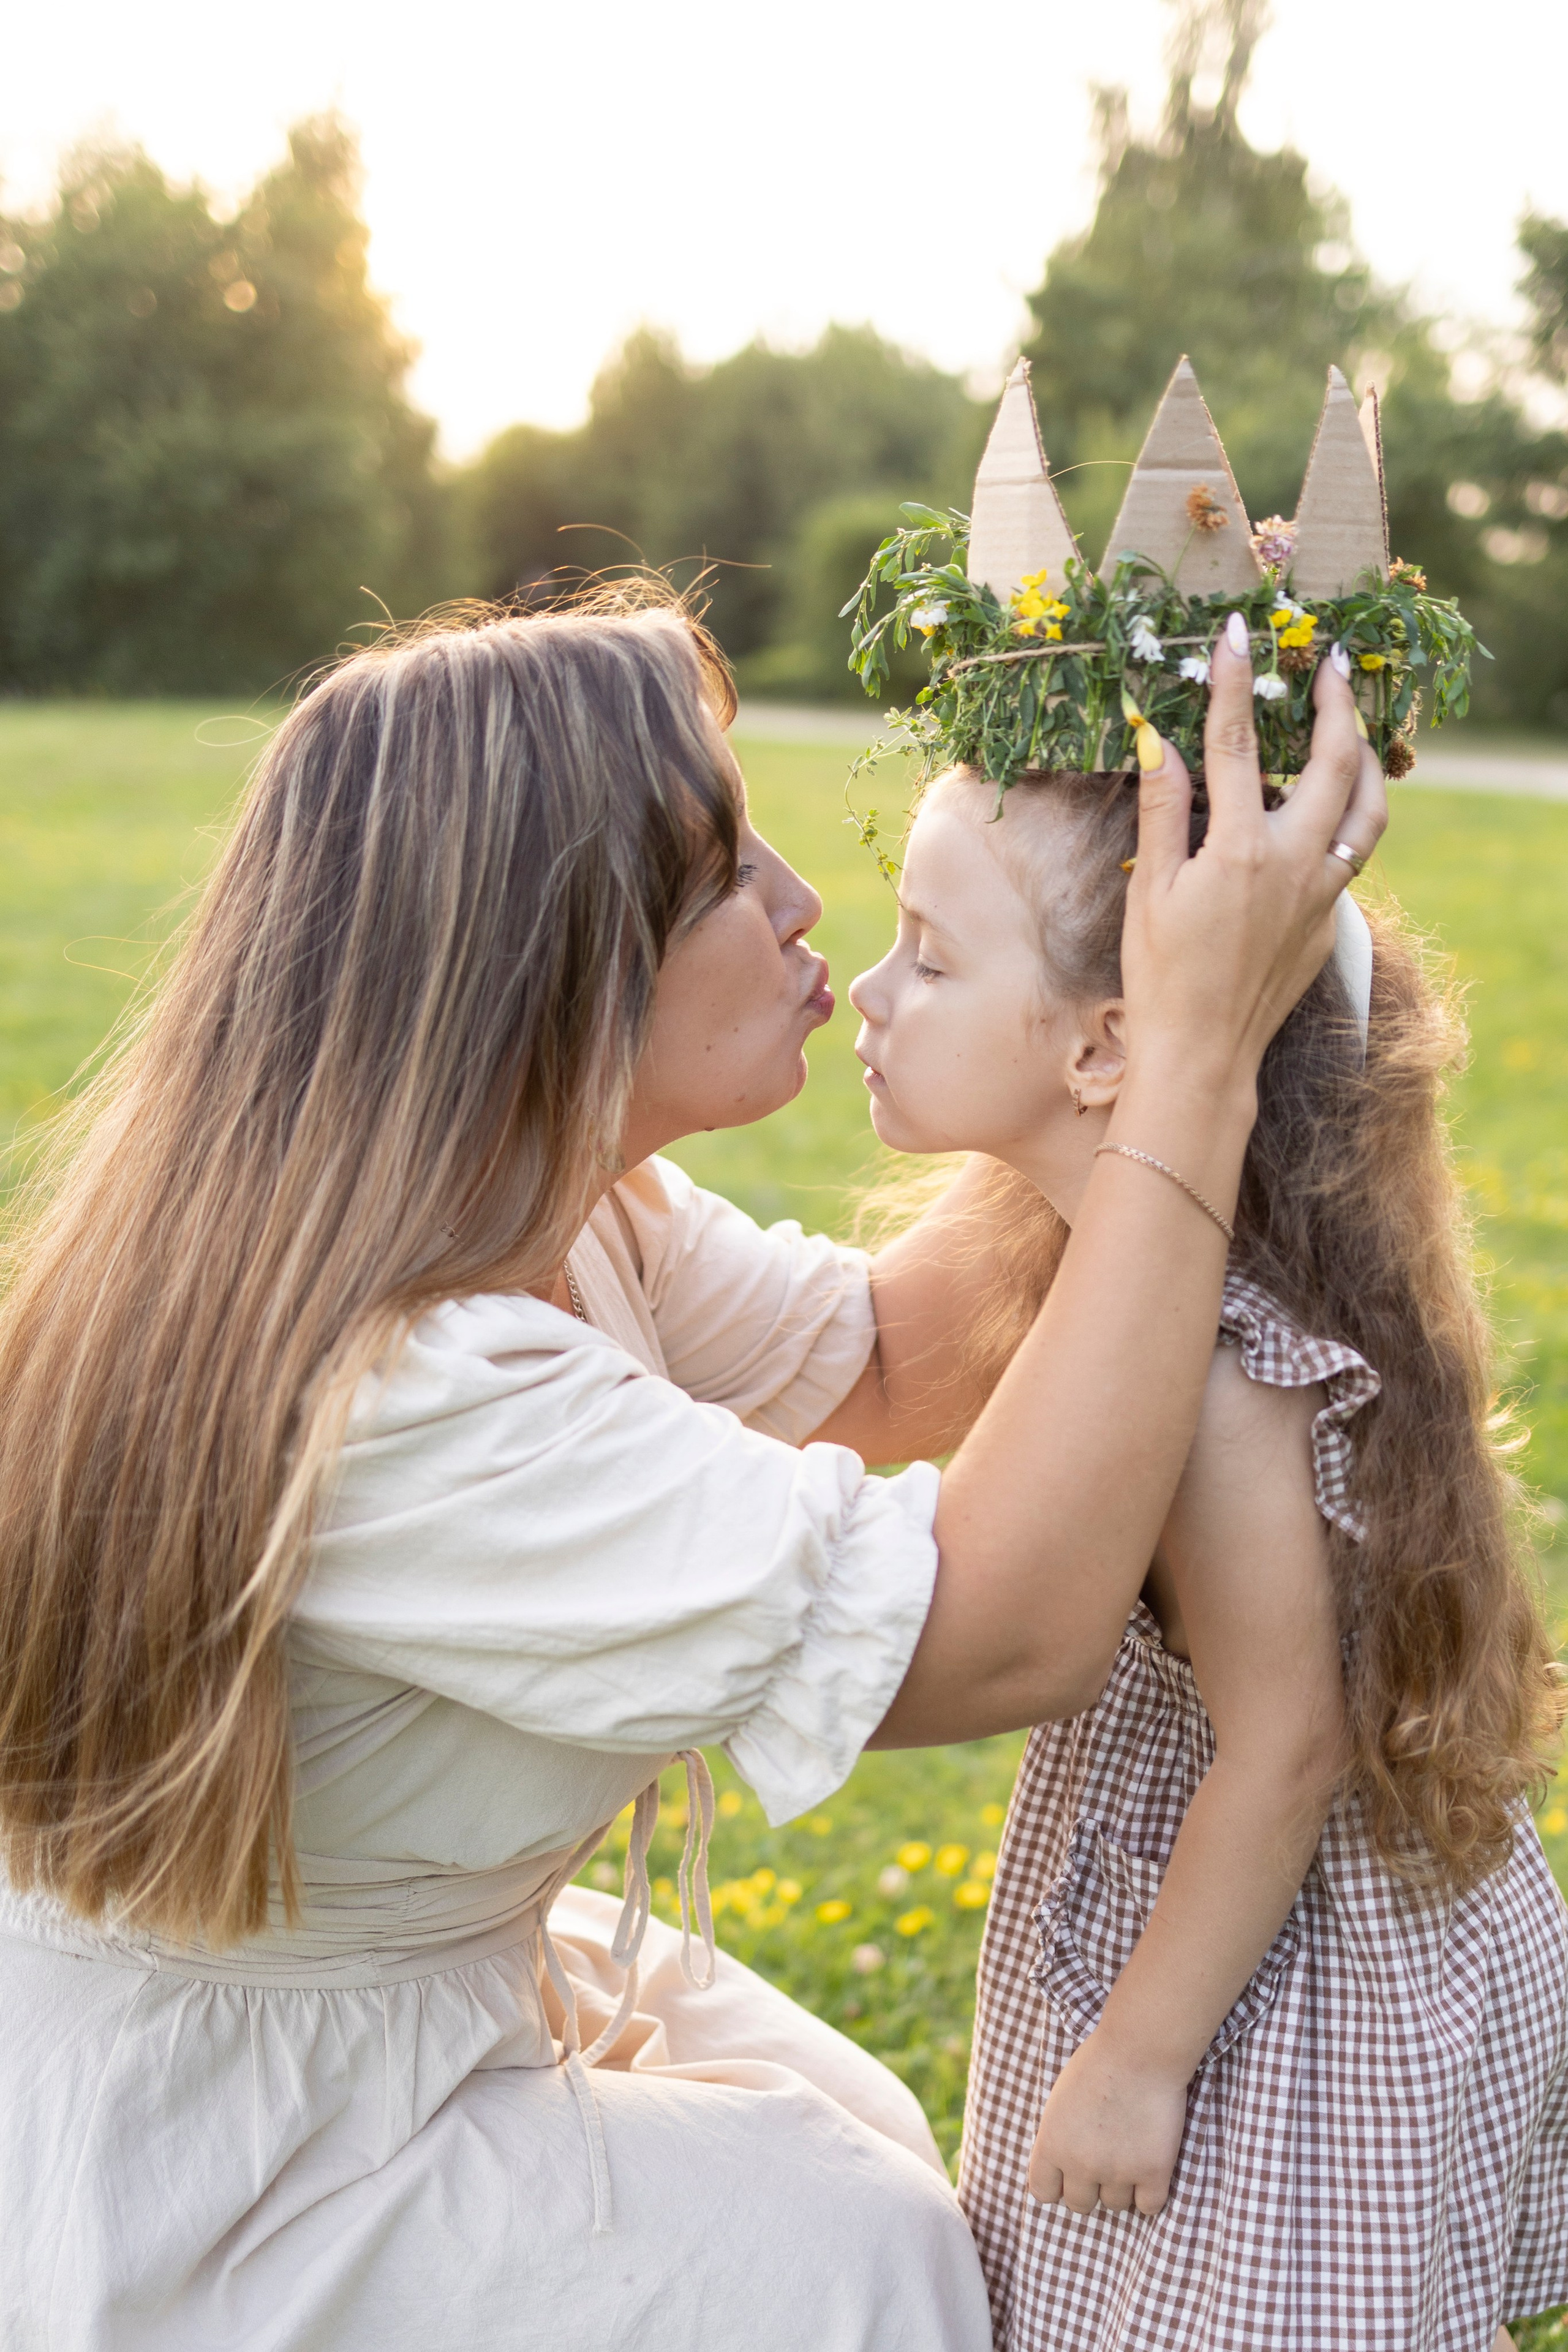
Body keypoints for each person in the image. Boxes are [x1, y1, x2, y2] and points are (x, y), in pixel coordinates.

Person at [0, 593, 1374, 2351]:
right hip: (215, 2139)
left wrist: (1093, 995)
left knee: (865, 2136)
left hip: (403, 1990)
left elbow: (893, 1361)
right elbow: (997, 1634)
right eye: (728, 866)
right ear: (555, 960)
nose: (801, 900)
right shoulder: (415, 1391)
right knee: (859, 2258)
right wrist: (1183, 1064)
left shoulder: (563, 1213)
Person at [846, 737, 1567, 2350]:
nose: (870, 993)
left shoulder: (1221, 1374)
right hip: (1228, 1899)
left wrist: (1139, 2056)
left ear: (1112, 1048)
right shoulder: (1102, 1258)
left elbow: (1289, 1745)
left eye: (933, 957)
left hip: (1274, 1970)